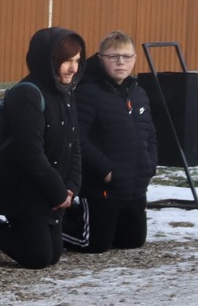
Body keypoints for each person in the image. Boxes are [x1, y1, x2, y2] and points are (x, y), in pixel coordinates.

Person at [0, 26, 85, 270]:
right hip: (23, 189)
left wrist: (71, 187)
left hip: (51, 190)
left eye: (77, 60)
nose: (73, 68)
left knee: (53, 254)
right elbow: (30, 153)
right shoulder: (27, 94)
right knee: (38, 257)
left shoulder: (66, 92)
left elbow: (74, 143)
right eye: (66, 61)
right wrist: (58, 192)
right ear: (47, 60)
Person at [64, 32, 158, 253]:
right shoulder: (87, 92)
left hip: (135, 188)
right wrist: (105, 169)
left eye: (126, 57)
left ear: (135, 59)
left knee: (132, 241)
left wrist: (150, 165)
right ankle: (50, 226)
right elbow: (77, 137)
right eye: (113, 56)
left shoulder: (139, 94)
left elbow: (151, 135)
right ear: (101, 59)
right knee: (94, 244)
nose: (120, 62)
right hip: (101, 188)